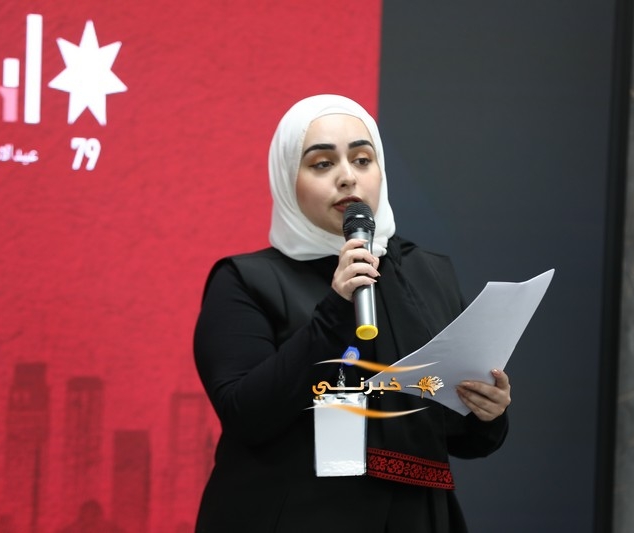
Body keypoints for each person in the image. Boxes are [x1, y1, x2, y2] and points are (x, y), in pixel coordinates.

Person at [193, 94, 511, 533]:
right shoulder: (246, 280)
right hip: (293, 517)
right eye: (322, 164)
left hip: (417, 515)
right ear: (287, 179)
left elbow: (454, 432)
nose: (347, 177)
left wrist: (485, 411)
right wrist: (335, 309)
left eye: (362, 160)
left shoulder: (426, 272)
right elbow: (246, 414)